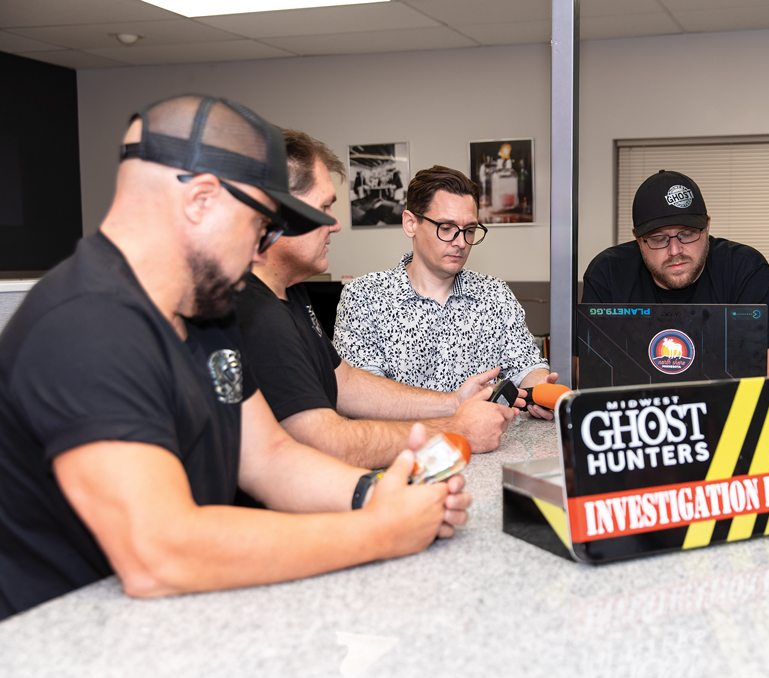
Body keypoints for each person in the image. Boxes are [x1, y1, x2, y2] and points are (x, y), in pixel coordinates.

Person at [0, 95, 469, 621]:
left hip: (179, 617)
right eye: (260, 226)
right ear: (201, 200)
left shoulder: (208, 307)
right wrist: (377, 531)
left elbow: (269, 457)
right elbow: (159, 552)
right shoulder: (85, 328)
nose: (261, 247)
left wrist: (381, 494)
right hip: (66, 639)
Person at [236, 129, 517, 466]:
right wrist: (456, 428)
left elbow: (346, 383)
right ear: (274, 211)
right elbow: (327, 443)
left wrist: (454, 401)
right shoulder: (253, 312)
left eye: (468, 230)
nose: (336, 224)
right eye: (323, 207)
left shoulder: (292, 293)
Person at [333, 165, 558, 420]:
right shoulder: (364, 297)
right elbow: (362, 397)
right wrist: (454, 405)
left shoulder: (495, 294)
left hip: (490, 452)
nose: (461, 242)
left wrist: (540, 389)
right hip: (404, 452)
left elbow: (527, 365)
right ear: (410, 223)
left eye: (470, 230)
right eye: (447, 227)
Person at [581, 170, 769, 375]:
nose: (675, 251)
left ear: (707, 228)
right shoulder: (608, 274)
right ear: (638, 240)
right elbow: (591, 377)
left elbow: (758, 382)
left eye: (687, 234)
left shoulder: (744, 268)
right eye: (658, 238)